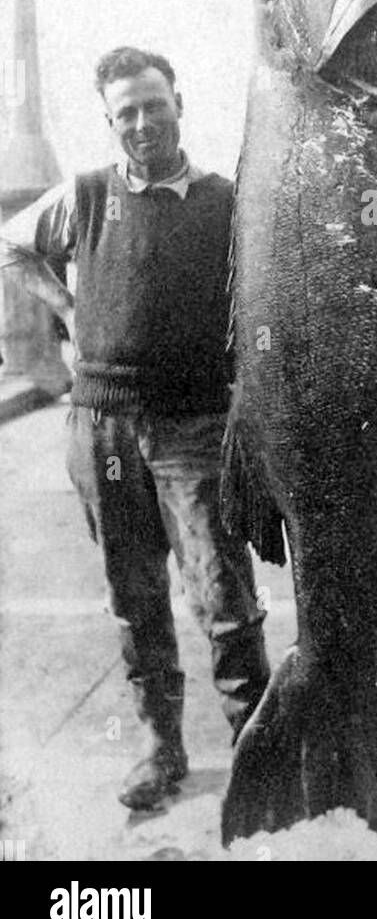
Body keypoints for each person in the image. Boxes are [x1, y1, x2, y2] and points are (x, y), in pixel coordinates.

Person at [0, 47, 270, 810]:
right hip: (102, 427)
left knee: (222, 591)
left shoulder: (226, 201)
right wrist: (67, 308)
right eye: (127, 112)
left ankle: (259, 746)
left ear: (179, 102)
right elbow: (12, 245)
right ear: (110, 121)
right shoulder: (85, 195)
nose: (143, 123)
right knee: (134, 593)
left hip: (197, 423)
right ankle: (160, 745)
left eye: (154, 105)